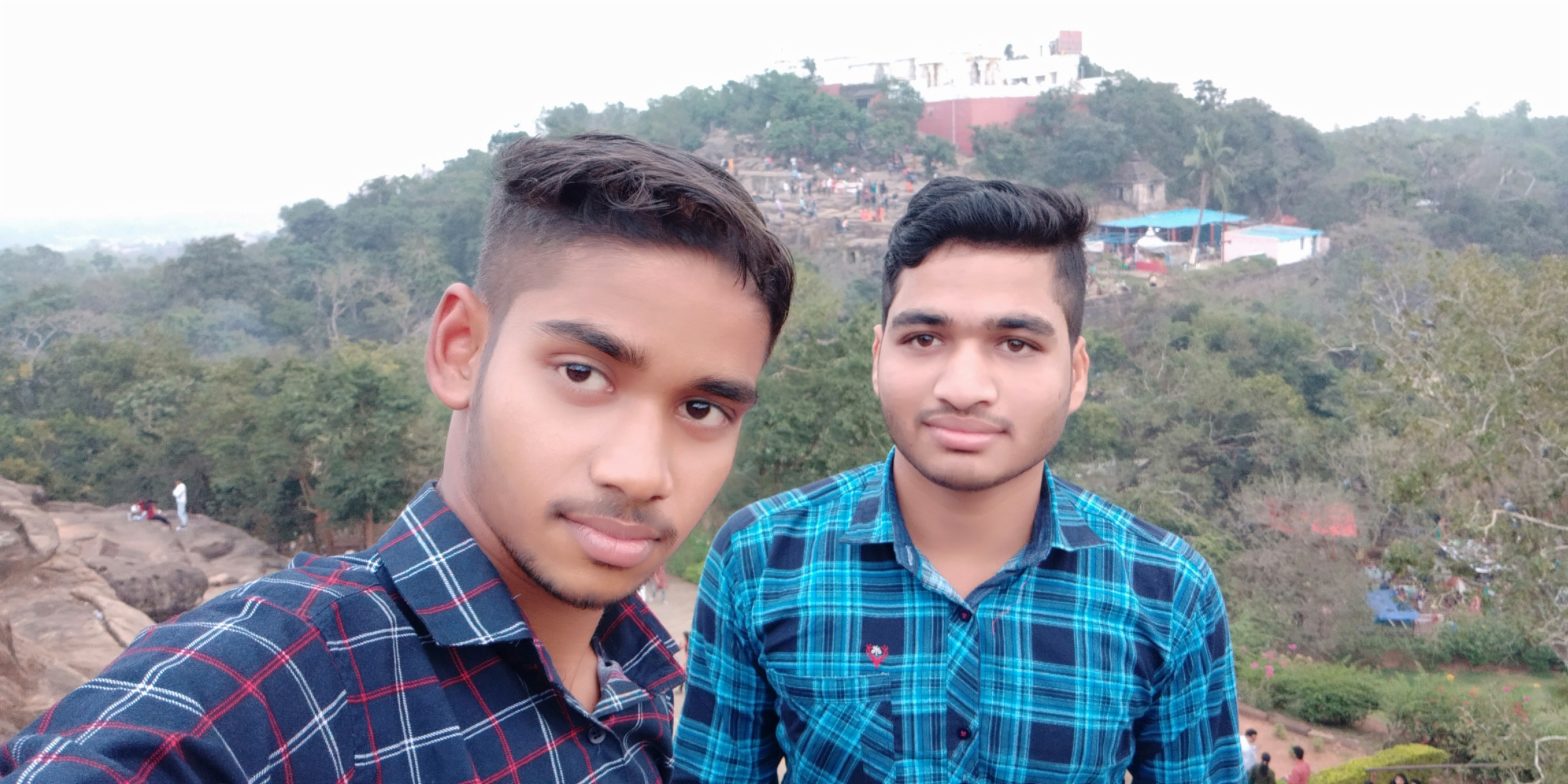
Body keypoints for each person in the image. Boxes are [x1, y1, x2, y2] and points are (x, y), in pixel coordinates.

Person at [2, 133, 795, 783]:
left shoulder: (635, 670)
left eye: (702, 409)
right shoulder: (281, 684)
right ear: (461, 350)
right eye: (583, 375)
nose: (642, 472)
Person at [673, 177, 1241, 782]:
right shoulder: (761, 558)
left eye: (1016, 344)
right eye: (924, 338)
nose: (964, 388)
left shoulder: (1168, 593)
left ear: (1076, 374)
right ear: (877, 358)